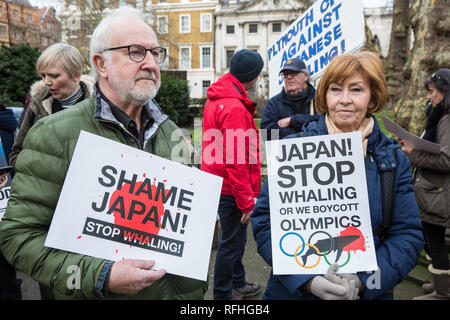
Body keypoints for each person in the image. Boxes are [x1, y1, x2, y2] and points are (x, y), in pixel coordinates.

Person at [0, 7, 205, 300]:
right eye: (135, 52)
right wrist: (100, 276)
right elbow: (18, 238)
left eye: (155, 52)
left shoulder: (171, 132)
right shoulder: (53, 134)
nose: (150, 63)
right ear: (101, 64)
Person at [251, 51, 424, 300]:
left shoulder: (393, 160)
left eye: (356, 90)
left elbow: (407, 235)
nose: (344, 100)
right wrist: (306, 281)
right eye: (335, 89)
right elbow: (266, 223)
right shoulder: (292, 150)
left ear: (372, 98)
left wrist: (366, 282)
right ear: (324, 95)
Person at [201, 49, 263, 300]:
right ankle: (224, 294)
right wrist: (246, 199)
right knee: (232, 243)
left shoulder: (219, 97)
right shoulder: (234, 105)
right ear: (252, 76)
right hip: (230, 187)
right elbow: (236, 159)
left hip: (218, 179)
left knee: (234, 238)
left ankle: (237, 281)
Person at [401, 68, 450, 300]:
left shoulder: (447, 118)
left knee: (433, 240)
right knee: (432, 238)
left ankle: (443, 290)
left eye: (431, 92)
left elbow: (447, 158)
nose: (428, 97)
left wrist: (413, 153)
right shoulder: (440, 115)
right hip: (434, 191)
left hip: (438, 193)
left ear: (445, 91)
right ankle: (440, 280)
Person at [9, 43, 94, 168]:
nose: (46, 82)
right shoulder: (36, 106)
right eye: (43, 75)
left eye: (54, 76)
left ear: (76, 74)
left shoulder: (101, 105)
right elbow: (17, 154)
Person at [260, 58, 318, 141]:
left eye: (293, 73)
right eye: (285, 74)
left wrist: (292, 121)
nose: (289, 77)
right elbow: (267, 134)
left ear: (306, 76)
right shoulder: (273, 103)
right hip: (284, 153)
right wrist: (300, 136)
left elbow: (326, 123)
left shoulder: (319, 99)